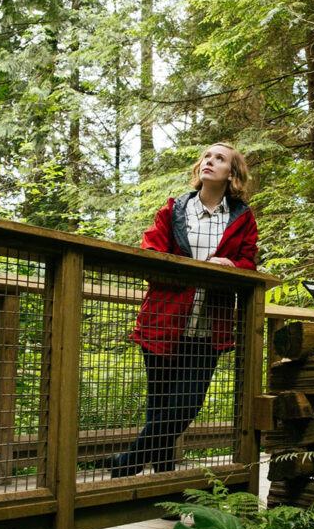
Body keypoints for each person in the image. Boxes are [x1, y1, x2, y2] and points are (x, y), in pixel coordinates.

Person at [110, 143, 258, 477]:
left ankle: (127, 462)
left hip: (209, 327)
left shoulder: (241, 218)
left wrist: (230, 265)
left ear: (232, 174)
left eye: (219, 159)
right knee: (160, 406)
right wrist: (185, 270)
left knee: (187, 404)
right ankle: (166, 491)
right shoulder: (174, 208)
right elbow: (150, 250)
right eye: (207, 156)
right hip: (164, 322)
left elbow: (250, 261)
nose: (210, 161)